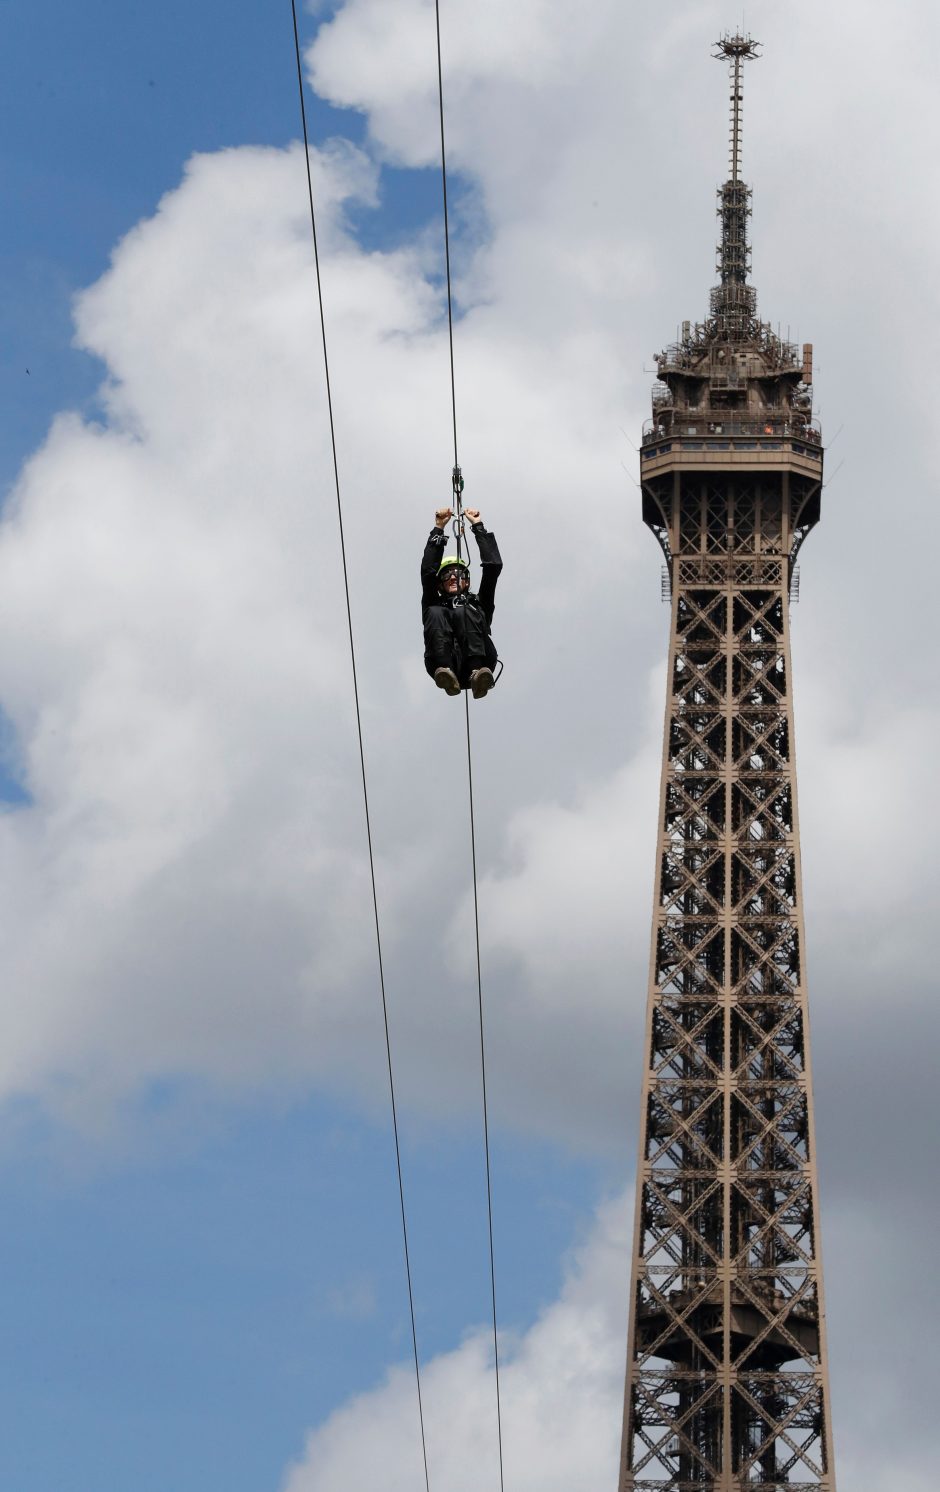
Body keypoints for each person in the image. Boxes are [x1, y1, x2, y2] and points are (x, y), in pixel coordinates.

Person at [422, 506, 502, 698]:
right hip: (443, 665)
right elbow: (428, 573)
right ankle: (446, 672)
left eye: (457, 573)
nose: (452, 577)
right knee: (435, 612)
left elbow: (493, 568)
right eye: (447, 574)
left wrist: (478, 526)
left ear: (466, 580)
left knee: (463, 611)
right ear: (440, 584)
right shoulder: (435, 603)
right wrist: (438, 528)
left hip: (481, 662)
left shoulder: (479, 603)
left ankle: (477, 675)